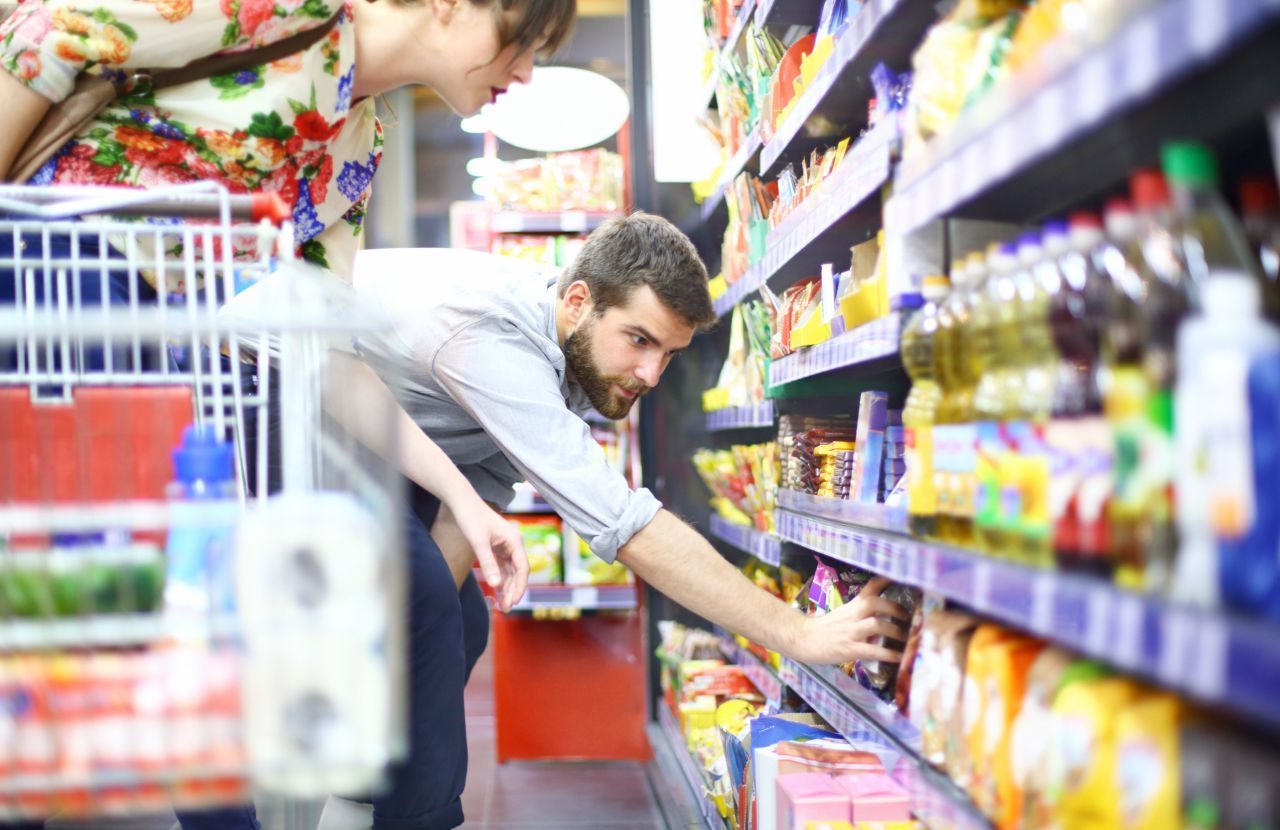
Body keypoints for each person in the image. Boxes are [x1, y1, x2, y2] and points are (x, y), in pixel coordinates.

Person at [0, 0, 575, 826]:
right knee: (82, 621)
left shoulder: (355, 143)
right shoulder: (290, 11)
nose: (523, 72)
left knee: (139, 625)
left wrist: (462, 497)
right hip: (52, 285)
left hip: (148, 330)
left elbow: (332, 359)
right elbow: (41, 33)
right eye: (524, 43)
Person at [339, 213, 912, 824]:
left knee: (454, 620)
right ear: (580, 300)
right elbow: (625, 524)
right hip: (287, 399)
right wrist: (800, 635)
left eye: (668, 352)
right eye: (639, 340)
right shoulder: (494, 339)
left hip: (392, 455)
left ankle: (367, 766)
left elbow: (481, 479)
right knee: (428, 608)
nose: (650, 374)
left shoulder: (570, 347)